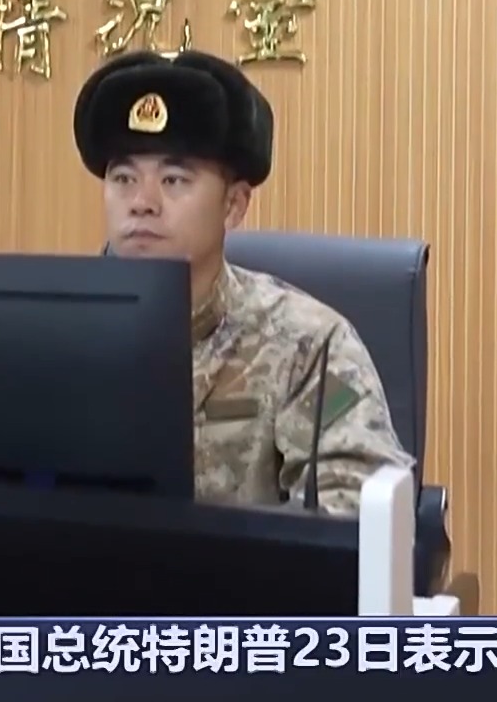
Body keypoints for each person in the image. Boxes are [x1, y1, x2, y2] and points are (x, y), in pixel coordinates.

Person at [73, 49, 411, 515]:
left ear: (233, 205)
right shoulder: (60, 338)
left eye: (174, 180)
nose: (142, 202)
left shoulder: (309, 347)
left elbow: (355, 509)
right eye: (124, 177)